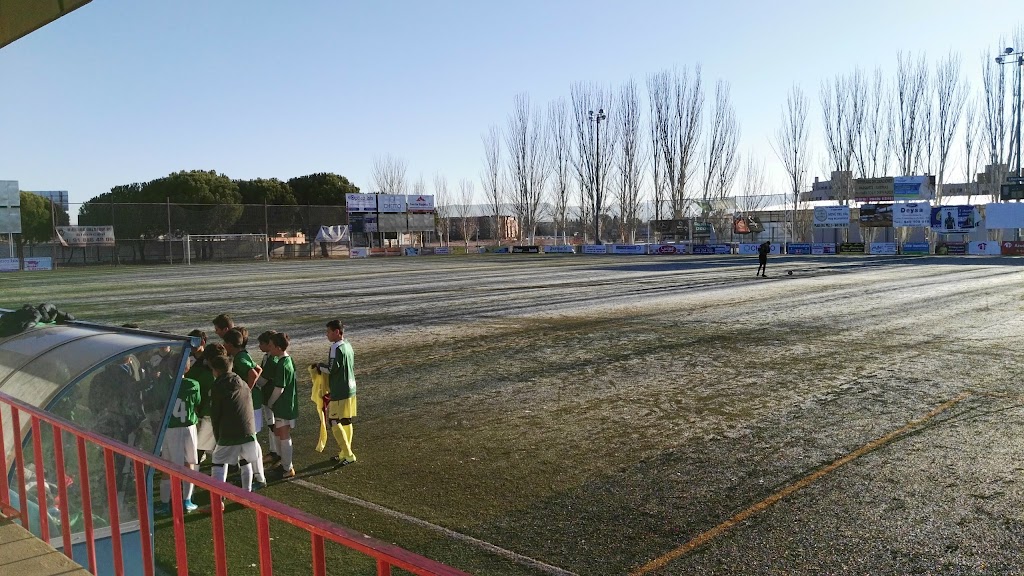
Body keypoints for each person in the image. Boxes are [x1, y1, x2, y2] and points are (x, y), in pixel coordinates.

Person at [207, 354, 261, 494]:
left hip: (229, 432)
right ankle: (246, 495)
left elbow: (215, 414)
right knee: (245, 460)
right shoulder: (242, 383)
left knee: (218, 461)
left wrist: (218, 436)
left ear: (216, 371)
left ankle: (218, 498)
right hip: (249, 431)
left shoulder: (217, 387)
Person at [222, 327, 266, 489]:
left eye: (225, 343)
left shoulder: (240, 358)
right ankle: (256, 476)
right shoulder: (243, 355)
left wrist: (245, 390)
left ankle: (259, 478)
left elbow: (254, 374)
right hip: (251, 403)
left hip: (249, 404)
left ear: (230, 344)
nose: (224, 346)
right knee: (251, 441)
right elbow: (258, 369)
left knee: (251, 441)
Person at [314, 320, 357, 466]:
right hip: (351, 388)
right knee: (346, 420)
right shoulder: (348, 346)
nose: (327, 334)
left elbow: (332, 369)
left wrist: (320, 367)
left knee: (333, 421)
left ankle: (349, 454)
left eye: (328, 332)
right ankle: (344, 453)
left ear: (337, 332)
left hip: (339, 390)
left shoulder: (335, 347)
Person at [156, 377, 201, 515]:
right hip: (188, 427)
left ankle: (165, 503)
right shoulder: (193, 383)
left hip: (170, 428)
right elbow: (197, 401)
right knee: (189, 464)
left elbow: (158, 404)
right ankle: (186, 501)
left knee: (167, 466)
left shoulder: (163, 383)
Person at [265, 332, 297, 479]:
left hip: (284, 405)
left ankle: (287, 467)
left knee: (283, 435)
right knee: (279, 433)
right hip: (285, 404)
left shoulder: (283, 364)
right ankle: (284, 464)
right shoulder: (286, 361)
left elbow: (280, 388)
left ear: (278, 348)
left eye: (271, 346)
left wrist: (270, 402)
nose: (269, 349)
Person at [256, 330, 279, 463]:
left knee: (273, 425)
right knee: (272, 424)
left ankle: (275, 452)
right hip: (268, 395)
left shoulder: (272, 359)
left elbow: (263, 380)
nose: (259, 346)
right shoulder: (267, 357)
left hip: (271, 396)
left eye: (261, 344)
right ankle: (274, 450)